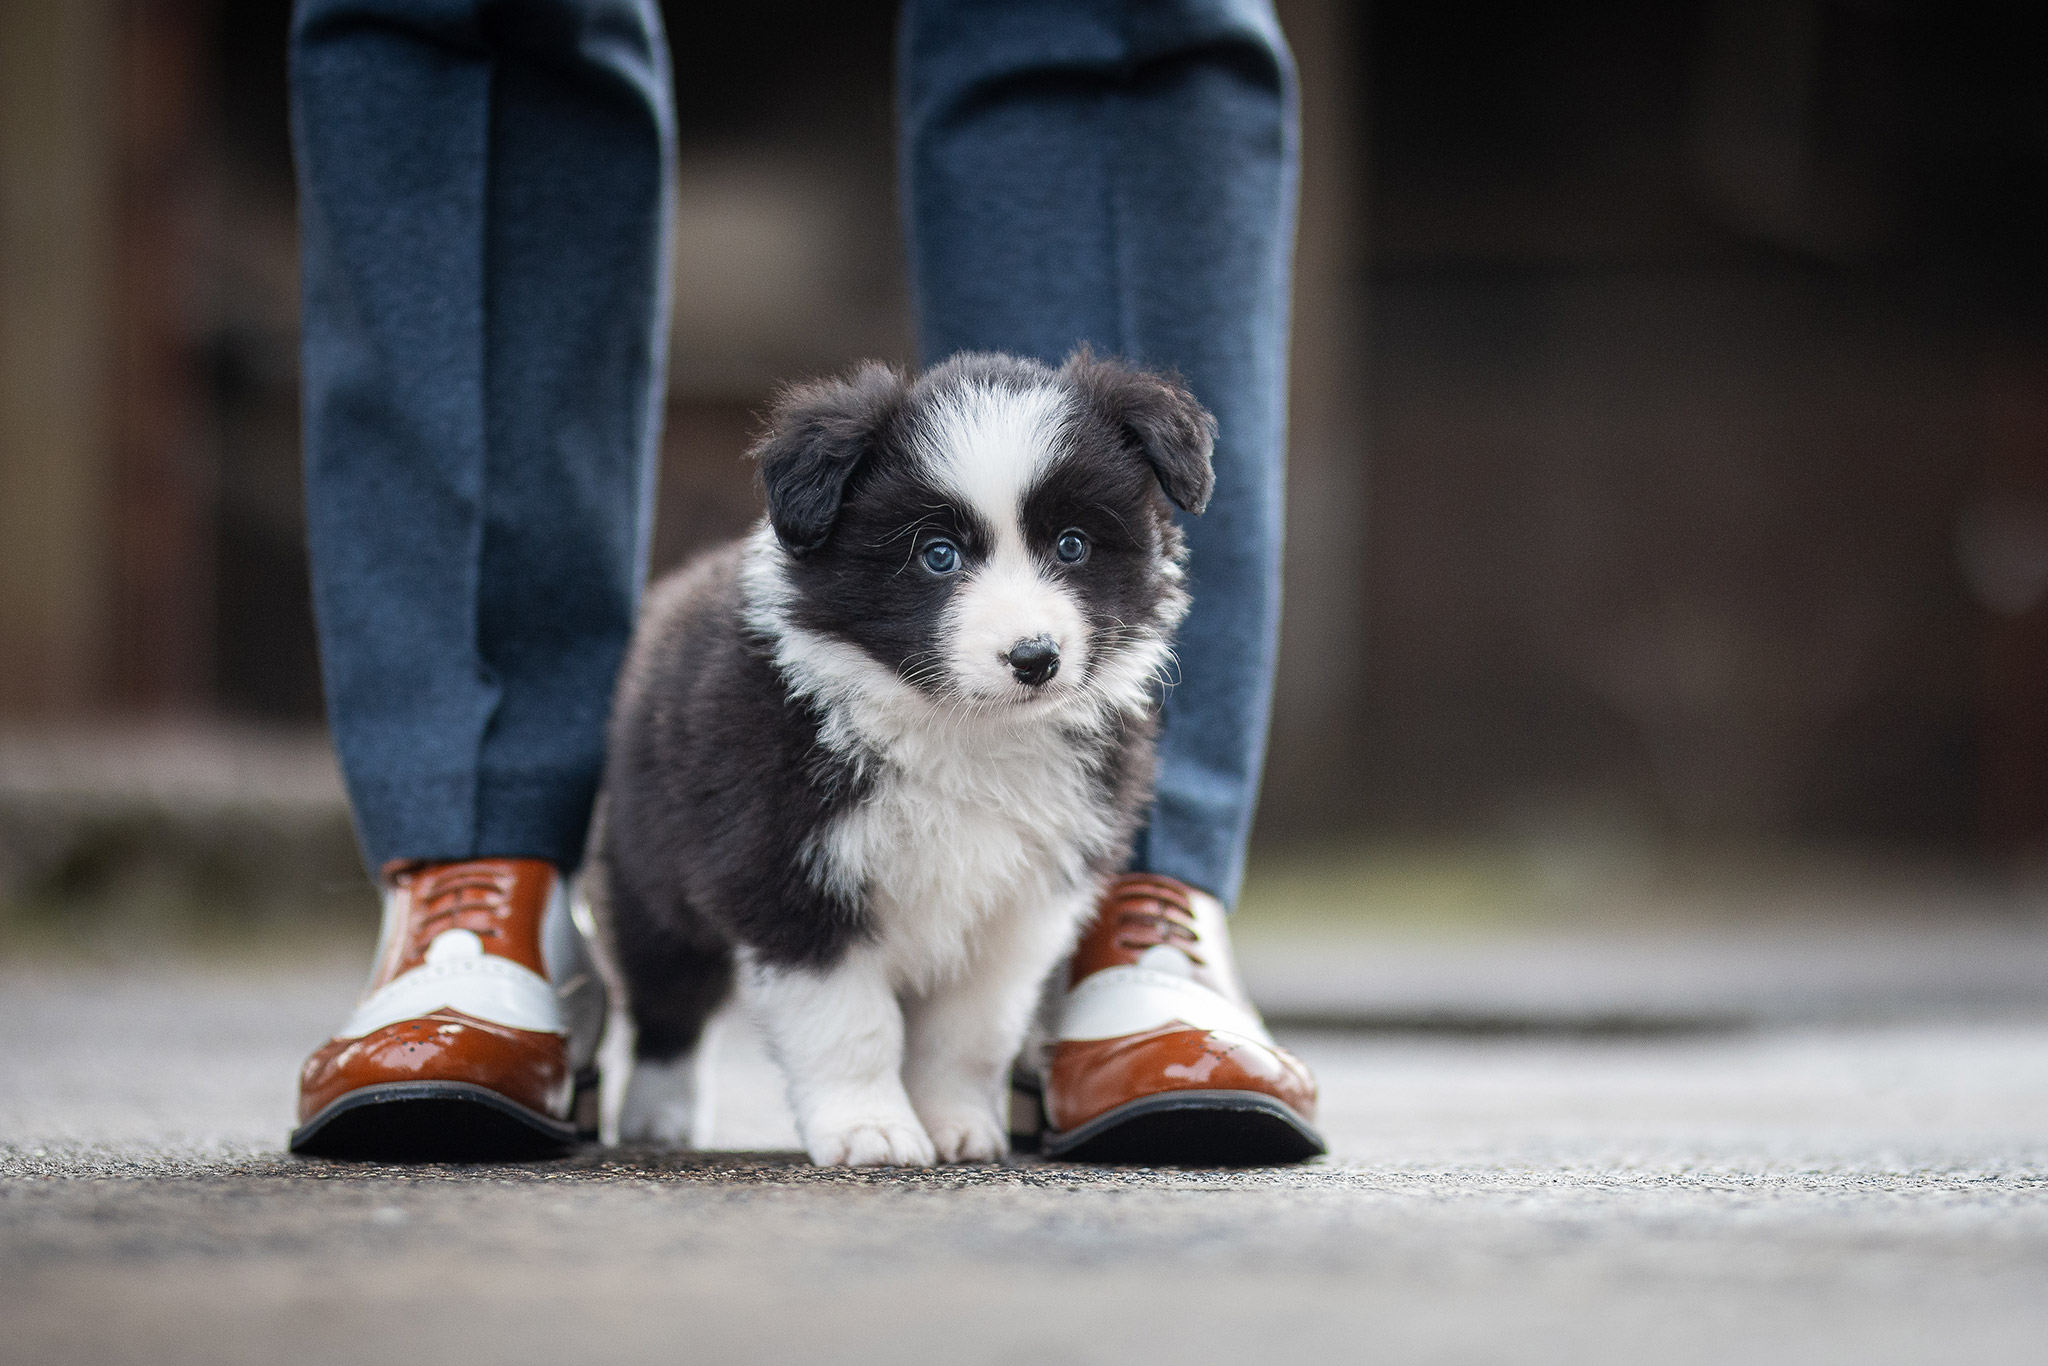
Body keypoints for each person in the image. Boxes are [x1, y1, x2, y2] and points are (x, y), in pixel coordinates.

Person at [287, 0, 1322, 1164]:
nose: (1029, 621)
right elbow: (790, 920)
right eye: (941, 552)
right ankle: (480, 874)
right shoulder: (765, 691)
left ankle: (1135, 921)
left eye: (1072, 546)